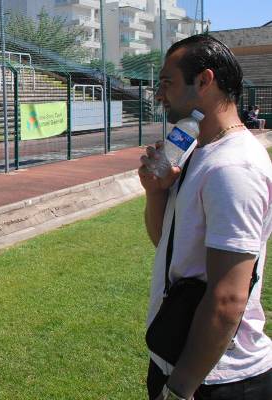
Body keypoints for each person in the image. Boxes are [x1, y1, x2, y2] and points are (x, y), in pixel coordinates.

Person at [139, 34, 272, 400]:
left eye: (167, 82)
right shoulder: (199, 151)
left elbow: (228, 297)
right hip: (177, 359)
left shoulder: (234, 167)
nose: (158, 93)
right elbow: (165, 242)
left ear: (204, 81)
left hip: (218, 379)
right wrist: (156, 192)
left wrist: (180, 390)